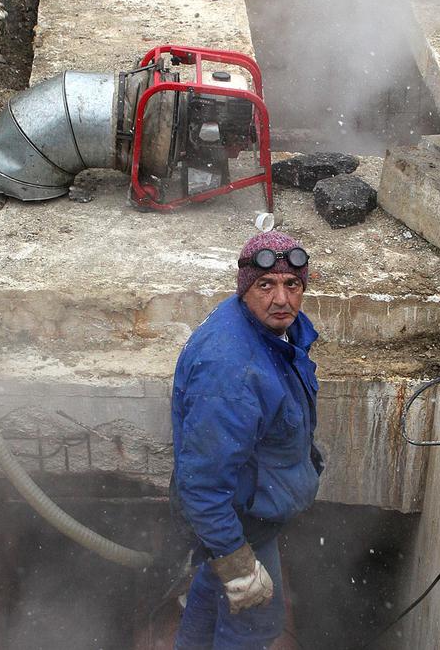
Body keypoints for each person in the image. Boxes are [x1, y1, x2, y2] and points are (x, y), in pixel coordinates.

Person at [170, 231, 323, 649]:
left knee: (213, 585)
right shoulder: (232, 370)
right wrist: (236, 561)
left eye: (292, 285)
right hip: (238, 518)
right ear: (245, 290)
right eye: (265, 285)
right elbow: (202, 482)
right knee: (256, 618)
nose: (281, 300)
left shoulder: (272, 331)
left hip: (249, 503)